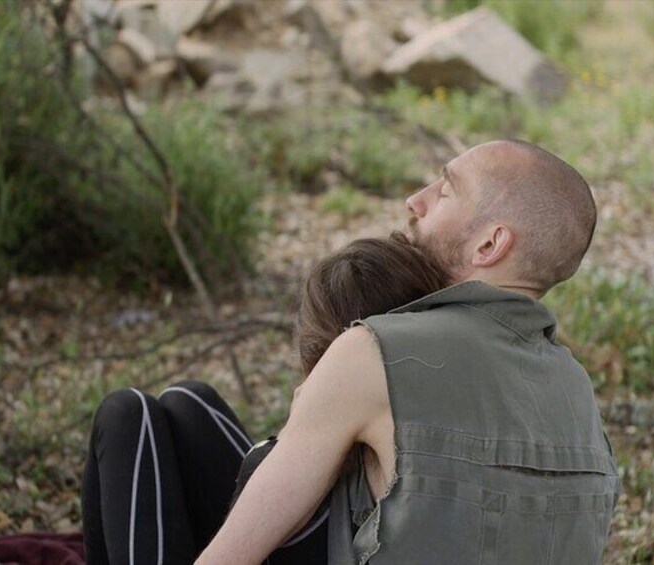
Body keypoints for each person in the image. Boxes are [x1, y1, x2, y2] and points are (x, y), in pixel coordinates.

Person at [87, 139, 621, 565]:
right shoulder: (578, 394)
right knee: (186, 404)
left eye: (446, 190)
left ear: (489, 245)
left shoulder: (375, 353)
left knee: (126, 414)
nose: (417, 200)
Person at [82, 233, 447, 564]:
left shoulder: (329, 429)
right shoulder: (440, 396)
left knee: (126, 413)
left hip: (298, 535)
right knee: (186, 401)